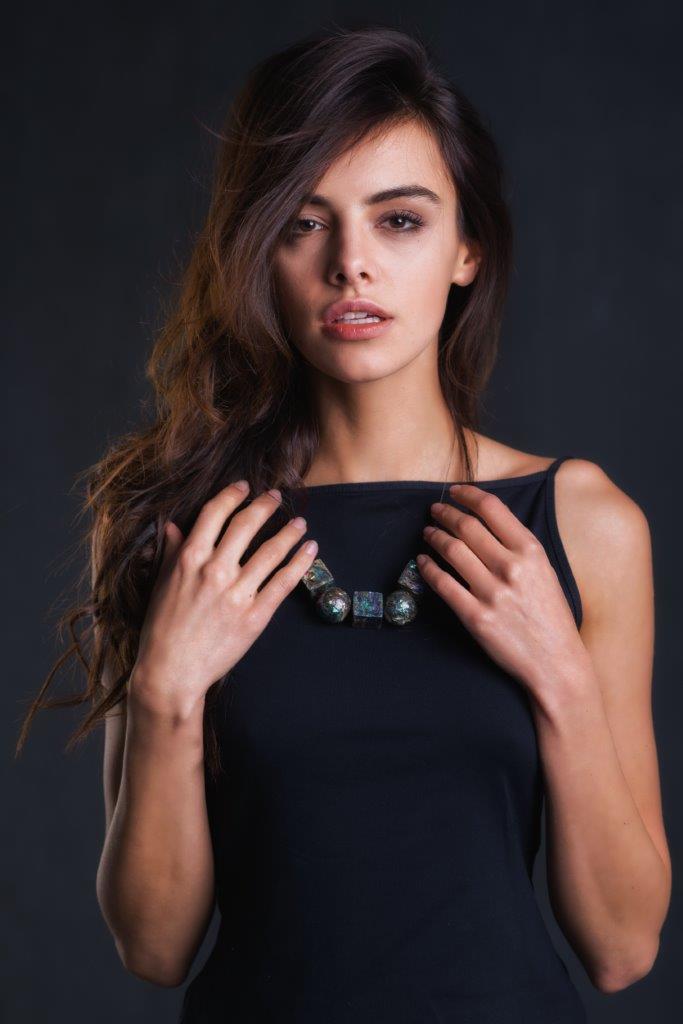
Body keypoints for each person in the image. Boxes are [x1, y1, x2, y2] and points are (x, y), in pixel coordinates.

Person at [16, 23, 671, 1024]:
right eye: (303, 223)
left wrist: (562, 680)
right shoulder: (184, 528)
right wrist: (166, 691)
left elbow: (623, 949)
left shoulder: (582, 523)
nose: (350, 265)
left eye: (398, 220)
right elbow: (154, 946)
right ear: (258, 251)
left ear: (465, 249)